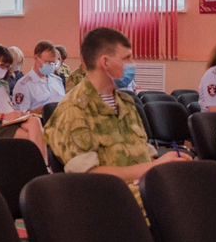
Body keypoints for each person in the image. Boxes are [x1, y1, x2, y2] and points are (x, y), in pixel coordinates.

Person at [43, 28, 191, 203]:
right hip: (113, 202)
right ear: (105, 62)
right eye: (126, 58)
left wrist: (158, 169)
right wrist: (152, 168)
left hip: (146, 191)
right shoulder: (74, 109)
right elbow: (89, 177)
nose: (132, 64)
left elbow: (145, 154)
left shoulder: (125, 103)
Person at [11, 41, 65, 114]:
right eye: (47, 62)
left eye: (53, 63)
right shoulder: (24, 85)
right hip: (39, 119)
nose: (50, 65)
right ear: (36, 58)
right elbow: (20, 115)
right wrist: (37, 111)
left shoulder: (57, 81)